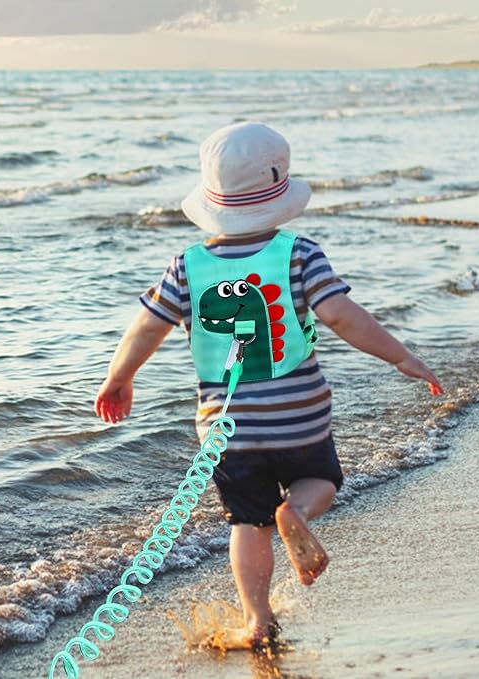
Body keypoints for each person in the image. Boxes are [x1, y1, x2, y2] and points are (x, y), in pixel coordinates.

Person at [94, 122, 443, 649]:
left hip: (227, 429)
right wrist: (402, 357)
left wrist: (119, 378)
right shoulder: (299, 253)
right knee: (321, 477)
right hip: (298, 416)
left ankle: (257, 620)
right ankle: (296, 512)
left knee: (247, 522)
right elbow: (342, 316)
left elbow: (147, 327)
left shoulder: (186, 266)